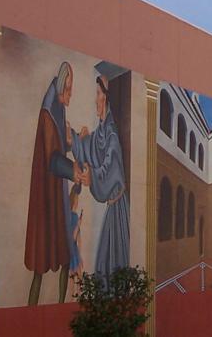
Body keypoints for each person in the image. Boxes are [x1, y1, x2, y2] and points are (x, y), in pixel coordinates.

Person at [24, 62, 87, 305]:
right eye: (69, 90)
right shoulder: (49, 113)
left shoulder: (57, 108)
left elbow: (60, 146)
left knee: (63, 256)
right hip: (47, 197)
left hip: (56, 194)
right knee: (41, 265)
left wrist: (73, 142)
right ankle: (32, 312)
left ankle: (61, 310)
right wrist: (74, 171)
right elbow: (52, 158)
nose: (71, 95)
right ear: (61, 88)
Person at [71, 66, 130, 278]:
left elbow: (109, 168)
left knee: (110, 260)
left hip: (117, 208)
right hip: (111, 207)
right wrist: (76, 139)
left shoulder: (112, 135)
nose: (95, 99)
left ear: (106, 98)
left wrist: (92, 176)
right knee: (106, 261)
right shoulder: (103, 131)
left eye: (98, 94)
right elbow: (91, 147)